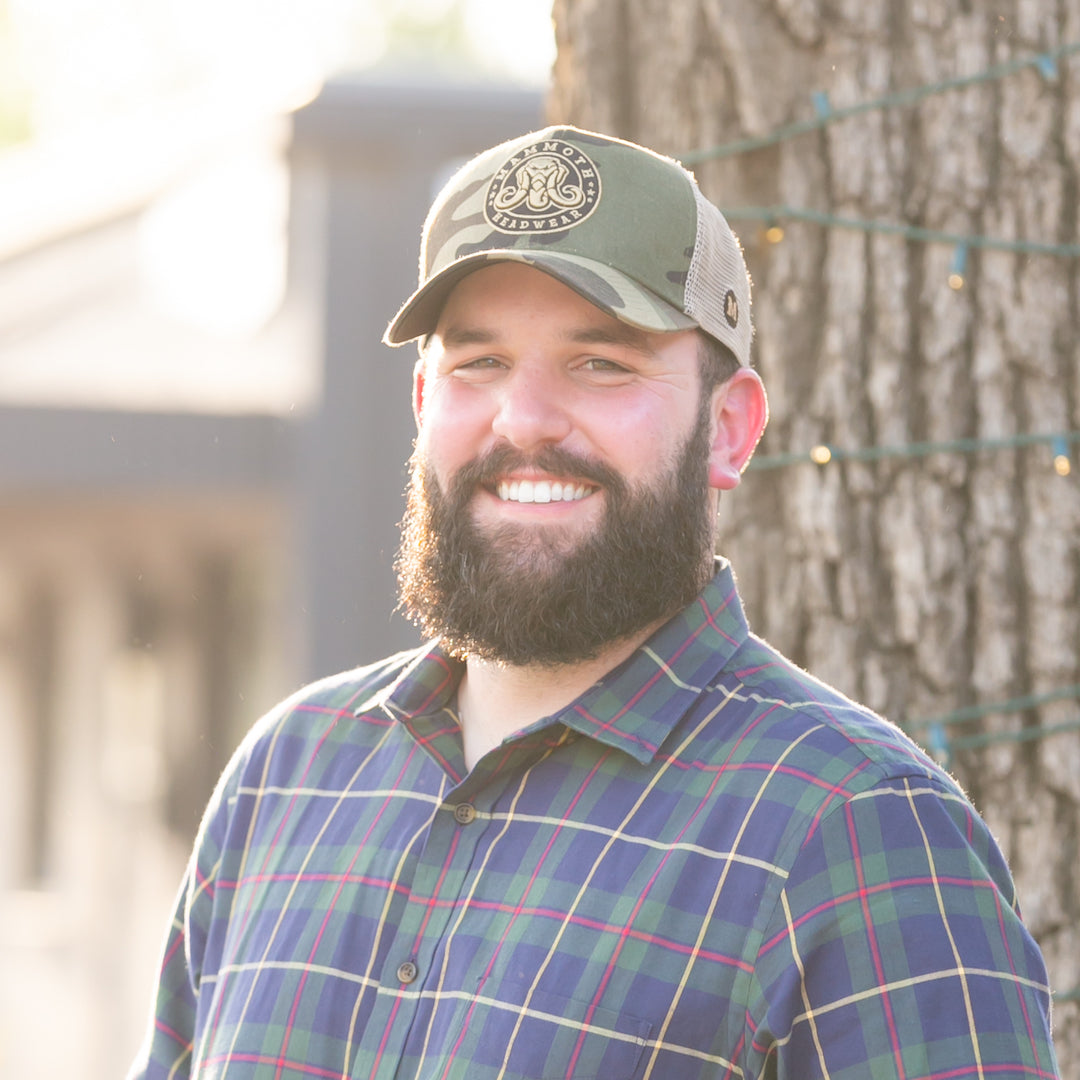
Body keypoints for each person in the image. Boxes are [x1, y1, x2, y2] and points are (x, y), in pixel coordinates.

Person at [129, 126, 1059, 1079]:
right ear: (422, 402)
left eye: (601, 363)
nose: (523, 419)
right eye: (478, 364)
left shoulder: (854, 829)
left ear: (728, 429)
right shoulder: (287, 776)